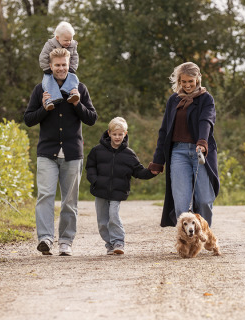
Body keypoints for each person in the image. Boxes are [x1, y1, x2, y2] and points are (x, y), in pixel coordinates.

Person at [24, 47, 98, 256]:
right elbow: (28, 119)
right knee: (45, 195)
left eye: (64, 65)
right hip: (47, 153)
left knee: (69, 201)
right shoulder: (40, 89)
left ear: (69, 65)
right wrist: (44, 109)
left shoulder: (79, 88)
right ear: (50, 66)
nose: (61, 68)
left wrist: (77, 104)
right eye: (57, 65)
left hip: (73, 154)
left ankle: (66, 241)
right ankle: (45, 239)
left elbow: (92, 118)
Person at [148, 62, 220, 228]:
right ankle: (186, 243)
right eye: (184, 81)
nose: (187, 85)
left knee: (204, 200)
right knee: (181, 204)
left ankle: (204, 236)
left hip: (201, 153)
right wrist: (158, 161)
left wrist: (202, 141)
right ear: (179, 81)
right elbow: (164, 131)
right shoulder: (173, 100)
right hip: (178, 153)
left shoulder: (206, 98)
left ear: (198, 80)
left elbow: (206, 120)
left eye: (191, 81)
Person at [85, 117, 156, 255]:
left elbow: (138, 171)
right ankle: (109, 244)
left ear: (125, 134)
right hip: (100, 190)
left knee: (113, 215)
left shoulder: (129, 154)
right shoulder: (97, 151)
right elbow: (90, 167)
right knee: (102, 221)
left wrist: (151, 172)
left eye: (120, 134)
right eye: (114, 134)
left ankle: (118, 242)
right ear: (109, 133)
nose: (117, 137)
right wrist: (95, 180)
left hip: (118, 192)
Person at [39, 21, 80, 110]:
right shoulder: (50, 44)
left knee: (73, 78)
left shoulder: (72, 45)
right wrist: (47, 68)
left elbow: (75, 57)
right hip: (50, 70)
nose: (68, 42)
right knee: (47, 81)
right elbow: (43, 56)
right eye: (66, 40)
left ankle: (72, 93)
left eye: (70, 39)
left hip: (68, 71)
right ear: (57, 38)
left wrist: (72, 68)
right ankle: (49, 100)